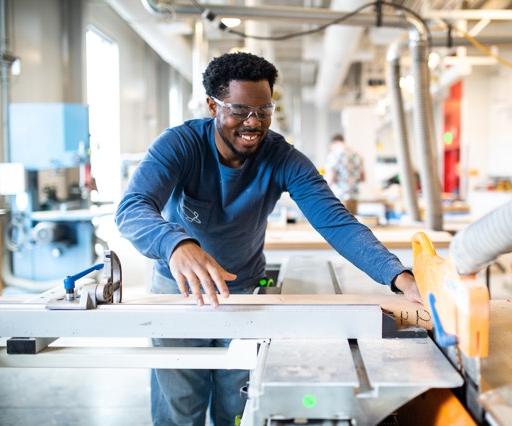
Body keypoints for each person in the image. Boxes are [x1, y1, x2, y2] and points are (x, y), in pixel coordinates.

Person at [115, 52, 422, 426]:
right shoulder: (180, 145)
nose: (253, 123)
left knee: (238, 404)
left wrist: (398, 276)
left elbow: (337, 223)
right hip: (176, 291)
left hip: (244, 294)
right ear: (213, 105)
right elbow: (132, 208)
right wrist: (175, 244)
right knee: (180, 405)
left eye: (263, 111)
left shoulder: (282, 158)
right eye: (240, 110)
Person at [324, 134, 365, 214]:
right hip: (354, 196)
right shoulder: (357, 154)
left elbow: (331, 177)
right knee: (353, 223)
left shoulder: (334, 155)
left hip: (340, 196)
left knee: (341, 223)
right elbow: (363, 177)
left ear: (334, 143)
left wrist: (324, 192)